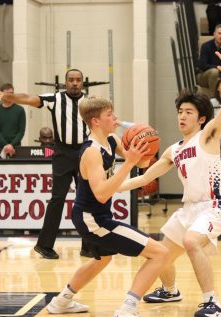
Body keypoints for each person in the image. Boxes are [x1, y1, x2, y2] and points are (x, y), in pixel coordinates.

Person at [119, 37, 221, 317]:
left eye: (188, 112)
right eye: (179, 112)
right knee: (157, 252)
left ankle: (212, 302)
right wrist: (112, 188)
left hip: (213, 206)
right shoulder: (174, 149)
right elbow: (144, 177)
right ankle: (171, 291)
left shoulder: (207, 135)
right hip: (188, 210)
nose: (182, 116)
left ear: (201, 118)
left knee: (191, 242)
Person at [46, 96, 169, 317]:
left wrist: (145, 144)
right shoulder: (91, 151)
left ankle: (61, 302)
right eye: (110, 114)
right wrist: (129, 163)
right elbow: (101, 194)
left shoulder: (111, 140)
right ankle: (128, 307)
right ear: (95, 121)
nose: (115, 118)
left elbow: (141, 163)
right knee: (160, 253)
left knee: (102, 259)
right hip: (91, 219)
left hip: (95, 216)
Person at [0, 69, 88, 259]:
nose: (74, 83)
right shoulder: (54, 99)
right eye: (71, 80)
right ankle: (44, 245)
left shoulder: (90, 101)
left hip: (85, 153)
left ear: (82, 82)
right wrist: (2, 95)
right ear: (65, 82)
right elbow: (26, 98)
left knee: (86, 199)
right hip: (63, 153)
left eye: (78, 80)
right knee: (57, 199)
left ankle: (88, 245)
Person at [0, 83, 26, 158]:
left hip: (16, 146)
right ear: (1, 95)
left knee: (16, 169)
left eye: (11, 93)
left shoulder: (20, 110)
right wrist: (5, 145)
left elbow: (21, 131)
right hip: (0, 146)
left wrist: (11, 145)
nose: (9, 96)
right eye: (7, 93)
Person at [197, 24, 221, 96]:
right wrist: (218, 67)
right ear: (214, 34)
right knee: (214, 72)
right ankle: (215, 97)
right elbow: (202, 65)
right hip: (203, 75)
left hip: (218, 75)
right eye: (219, 33)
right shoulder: (206, 46)